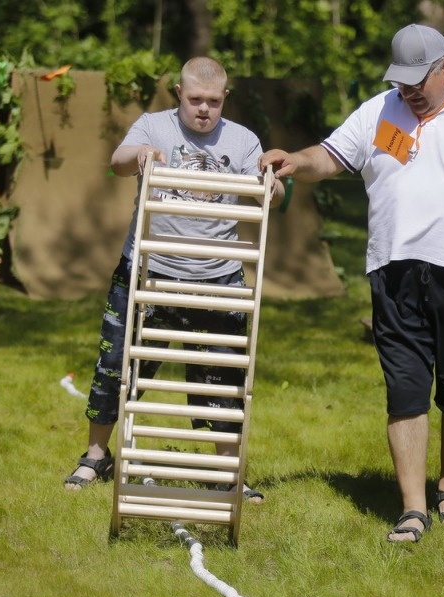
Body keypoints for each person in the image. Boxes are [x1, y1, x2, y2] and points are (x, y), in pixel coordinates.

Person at [259, 24, 444, 542]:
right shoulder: (380, 110)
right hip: (394, 272)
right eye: (402, 81)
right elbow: (331, 155)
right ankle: (413, 508)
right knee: (406, 389)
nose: (409, 91)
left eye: (419, 81)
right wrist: (295, 160)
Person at [63, 56, 284, 500]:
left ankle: (226, 471)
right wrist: (140, 155)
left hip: (217, 278)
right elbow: (119, 161)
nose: (204, 109)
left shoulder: (242, 141)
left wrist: (271, 184)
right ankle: (95, 456)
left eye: (214, 101)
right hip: (147, 272)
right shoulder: (153, 125)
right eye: (196, 99)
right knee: (116, 367)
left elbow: (271, 196)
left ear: (225, 99)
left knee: (224, 375)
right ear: (179, 94)